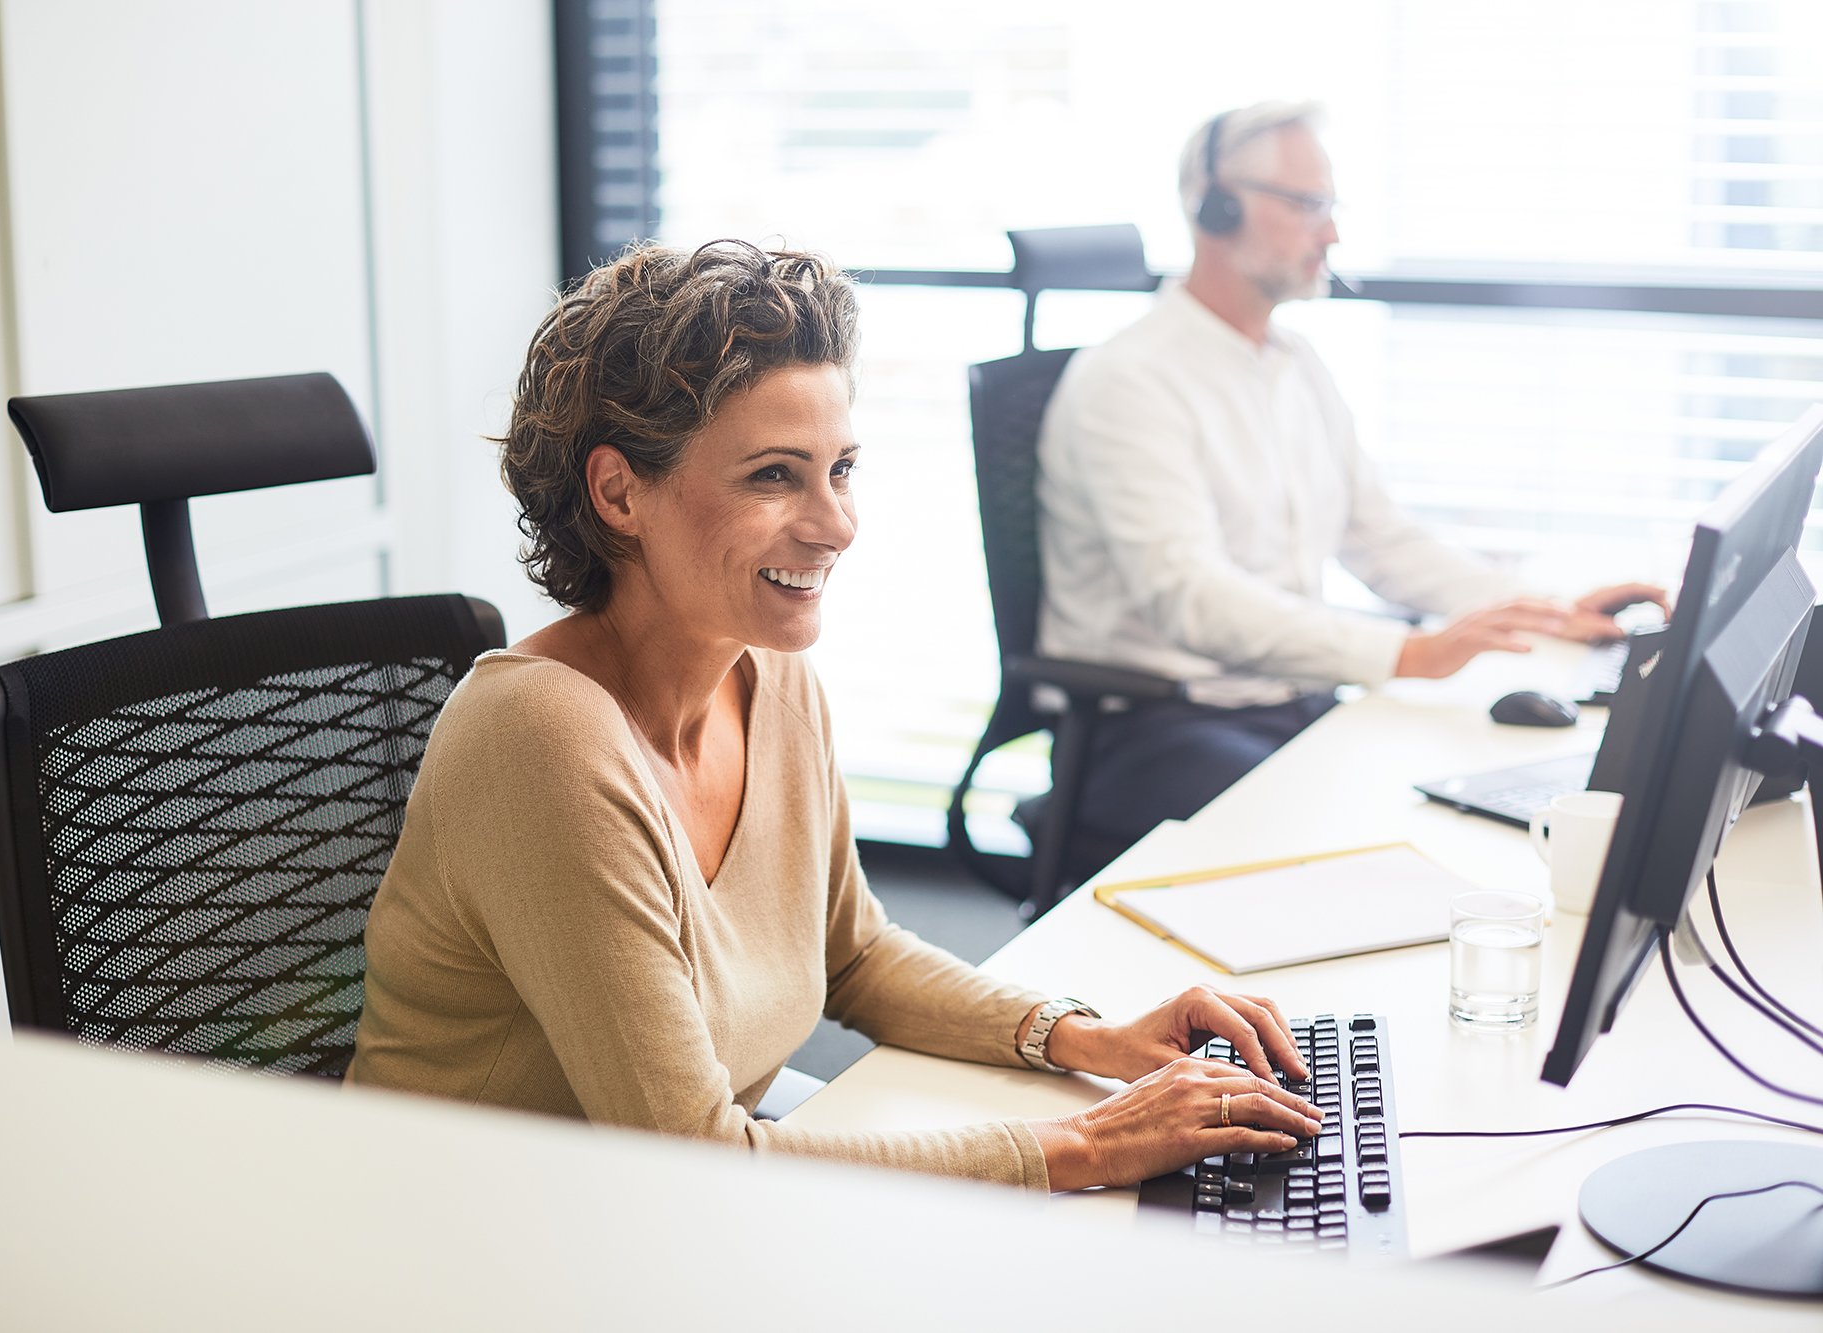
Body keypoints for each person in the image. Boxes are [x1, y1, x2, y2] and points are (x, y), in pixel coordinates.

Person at [348, 240, 1321, 1191]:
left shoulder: (767, 674)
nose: (835, 524)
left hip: (644, 1220)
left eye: (840, 467)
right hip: (476, 1246)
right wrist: (1082, 1145)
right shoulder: (540, 735)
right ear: (618, 491)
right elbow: (695, 1157)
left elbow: (850, 953)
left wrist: (1089, 1037)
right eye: (773, 475)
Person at [1035, 101, 1666, 872]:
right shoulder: (1130, 380)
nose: (1329, 233)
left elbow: (1380, 536)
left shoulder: (1294, 362)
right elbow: (1190, 597)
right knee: (1361, 858)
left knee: (1451, 806)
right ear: (1216, 206)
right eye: (1305, 205)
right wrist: (1410, 651)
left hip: (1289, 701)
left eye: (1329, 206)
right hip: (1155, 729)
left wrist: (1544, 610)